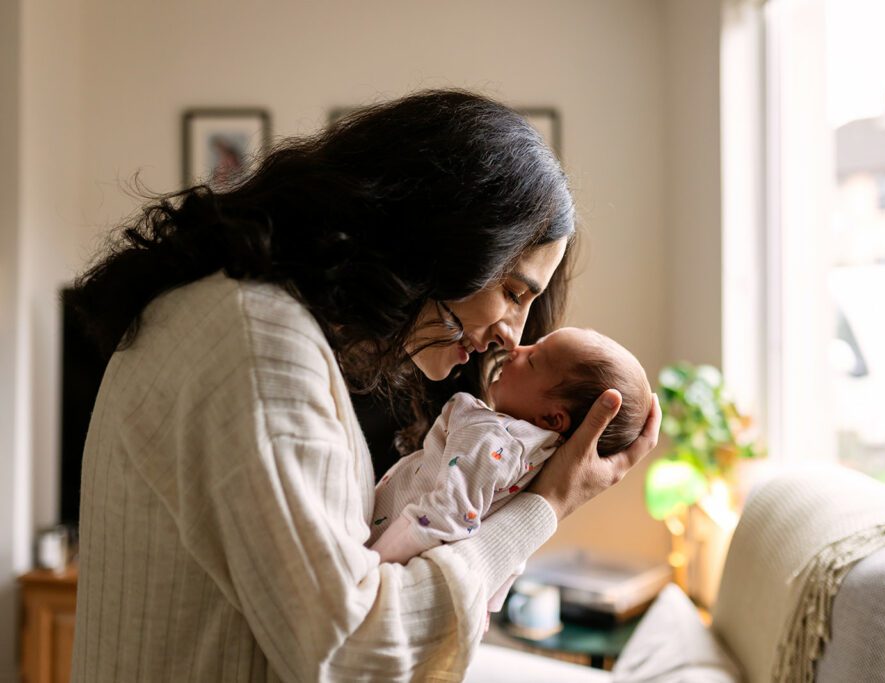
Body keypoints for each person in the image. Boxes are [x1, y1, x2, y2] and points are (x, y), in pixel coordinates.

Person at [65, 89, 660, 682]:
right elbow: (350, 651)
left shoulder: (255, 323)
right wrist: (544, 506)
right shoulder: (259, 345)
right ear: (441, 238)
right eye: (512, 292)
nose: (512, 335)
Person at [370, 326, 652, 623]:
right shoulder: (537, 463)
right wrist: (486, 606)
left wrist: (374, 564)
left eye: (532, 360)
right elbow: (511, 557)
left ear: (551, 418)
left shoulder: (493, 440)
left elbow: (440, 517)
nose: (517, 348)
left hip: (382, 553)